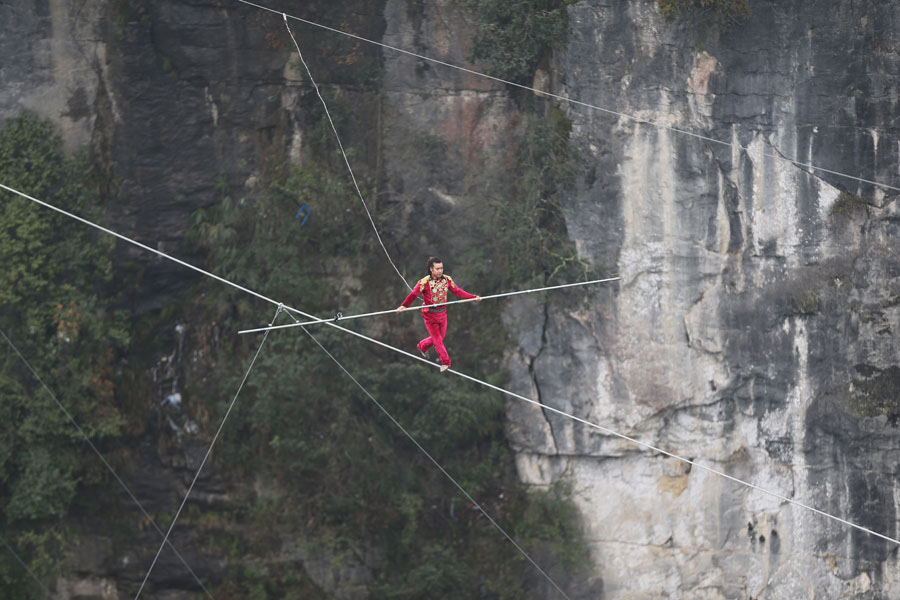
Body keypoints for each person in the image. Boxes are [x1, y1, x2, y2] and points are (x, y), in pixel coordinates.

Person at [397, 256, 481, 372]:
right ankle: (446, 362)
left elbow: (457, 291)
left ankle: (422, 346)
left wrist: (473, 297)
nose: (440, 271)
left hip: (442, 313)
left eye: (441, 268)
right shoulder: (424, 282)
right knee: (437, 340)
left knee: (441, 338)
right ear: (431, 269)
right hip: (430, 315)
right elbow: (413, 295)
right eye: (437, 269)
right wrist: (404, 306)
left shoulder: (447, 280)